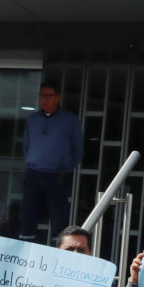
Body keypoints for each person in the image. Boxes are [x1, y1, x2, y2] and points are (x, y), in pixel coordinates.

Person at [20, 79, 83, 244]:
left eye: (48, 95)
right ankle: (25, 256)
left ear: (58, 98)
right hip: (33, 175)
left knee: (58, 221)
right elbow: (26, 145)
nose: (44, 99)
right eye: (42, 95)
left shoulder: (70, 120)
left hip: (57, 176)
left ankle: (57, 257)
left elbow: (78, 150)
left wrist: (66, 167)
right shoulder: (32, 119)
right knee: (27, 218)